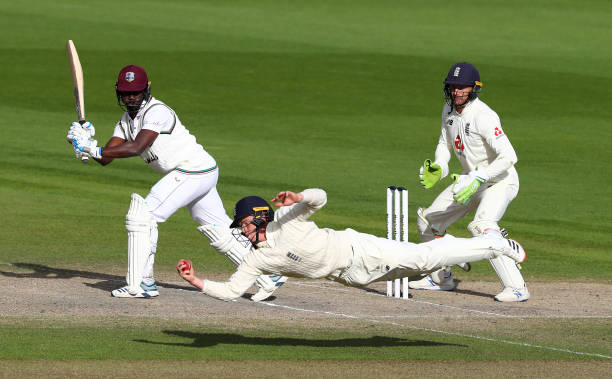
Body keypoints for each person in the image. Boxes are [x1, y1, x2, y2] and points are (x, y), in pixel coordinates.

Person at [66, 65, 286, 301]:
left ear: (146, 90)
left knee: (144, 216)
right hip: (197, 172)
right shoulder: (125, 121)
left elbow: (137, 147)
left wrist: (91, 148)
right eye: (126, 93)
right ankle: (267, 273)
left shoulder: (157, 112)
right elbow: (107, 157)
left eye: (136, 92)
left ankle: (141, 283)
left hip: (193, 169)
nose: (131, 98)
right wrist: (83, 142)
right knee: (218, 229)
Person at [176, 188, 526, 301]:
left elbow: (320, 198)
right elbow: (232, 291)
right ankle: (474, 248)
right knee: (427, 263)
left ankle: (495, 244)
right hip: (354, 277)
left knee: (424, 258)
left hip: (360, 249)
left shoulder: (286, 219)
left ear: (259, 216)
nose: (242, 231)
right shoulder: (257, 260)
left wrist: (299, 196)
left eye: (244, 224)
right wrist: (196, 281)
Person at [414, 62, 528, 302]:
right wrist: (440, 165)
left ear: (474, 88)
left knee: (481, 226)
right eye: (453, 86)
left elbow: (510, 156)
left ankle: (517, 288)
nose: (456, 91)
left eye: (462, 87)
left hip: (499, 181)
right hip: (469, 182)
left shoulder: (483, 116)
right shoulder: (448, 110)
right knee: (428, 220)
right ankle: (440, 278)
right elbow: (444, 143)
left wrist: (481, 176)